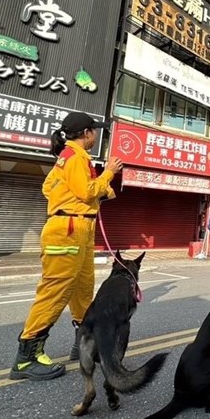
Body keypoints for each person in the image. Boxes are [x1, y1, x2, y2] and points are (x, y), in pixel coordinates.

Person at [10, 112, 122, 381]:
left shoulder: (70, 158)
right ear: (86, 133)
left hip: (80, 227)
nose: (96, 134)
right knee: (55, 290)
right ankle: (27, 356)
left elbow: (49, 187)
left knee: (82, 289)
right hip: (68, 230)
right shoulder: (74, 157)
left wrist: (89, 193)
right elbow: (85, 192)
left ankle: (83, 343)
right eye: (94, 130)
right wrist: (109, 173)